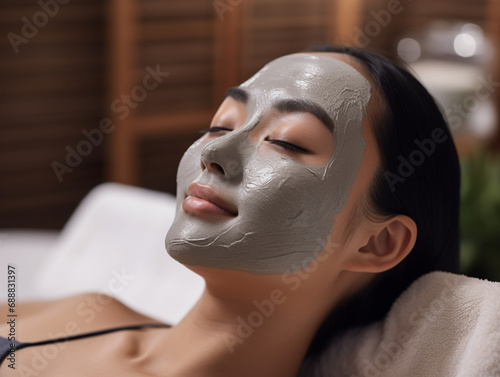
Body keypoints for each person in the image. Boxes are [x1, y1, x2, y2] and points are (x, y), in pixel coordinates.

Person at [0, 45, 460, 377]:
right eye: (219, 124)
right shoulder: (89, 311)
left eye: (287, 141)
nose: (214, 150)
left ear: (378, 242)